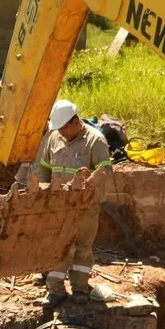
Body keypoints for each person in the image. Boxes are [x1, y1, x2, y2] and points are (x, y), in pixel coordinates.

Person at [34, 99, 112, 306]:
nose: (60, 132)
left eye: (63, 128)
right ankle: (55, 290)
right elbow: (43, 167)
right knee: (57, 246)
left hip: (86, 207)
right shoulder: (53, 138)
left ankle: (79, 288)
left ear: (74, 122)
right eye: (57, 129)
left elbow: (105, 171)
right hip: (59, 206)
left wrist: (88, 189)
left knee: (82, 248)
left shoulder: (95, 141)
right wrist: (43, 191)